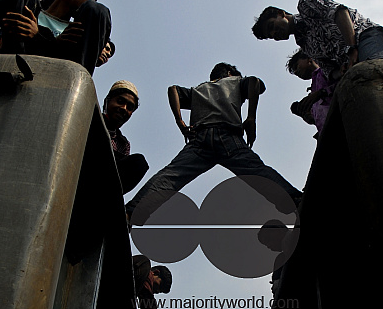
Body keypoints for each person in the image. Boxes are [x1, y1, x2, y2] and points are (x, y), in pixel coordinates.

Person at [126, 63, 302, 225]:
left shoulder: (199, 89)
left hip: (199, 141)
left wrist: (180, 122)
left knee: (171, 176)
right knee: (257, 172)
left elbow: (173, 90)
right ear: (229, 73)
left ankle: (132, 213)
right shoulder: (235, 81)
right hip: (228, 136)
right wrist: (251, 117)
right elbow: (255, 83)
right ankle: (294, 200)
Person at [252, 0, 383, 81]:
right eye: (270, 36)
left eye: (271, 26)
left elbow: (340, 12)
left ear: (280, 13)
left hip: (366, 37)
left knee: (379, 72)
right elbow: (328, 70)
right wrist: (341, 71)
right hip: (354, 65)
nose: (273, 34)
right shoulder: (304, 45)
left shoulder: (306, 4)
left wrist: (351, 48)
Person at [1, 0, 111, 75]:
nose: (92, 2)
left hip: (61, 83)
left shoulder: (77, 34)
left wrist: (39, 36)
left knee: (98, 10)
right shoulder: (30, 12)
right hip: (16, 72)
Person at [103, 81, 149, 195]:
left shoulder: (123, 143)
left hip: (104, 184)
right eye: (120, 102)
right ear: (108, 101)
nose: (124, 108)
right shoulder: (91, 119)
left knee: (139, 162)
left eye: (129, 107)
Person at [286, 50, 335, 137]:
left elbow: (343, 81)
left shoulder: (325, 70)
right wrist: (308, 114)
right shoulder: (313, 88)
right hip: (329, 133)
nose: (296, 72)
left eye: (296, 66)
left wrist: (322, 92)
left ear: (309, 59)